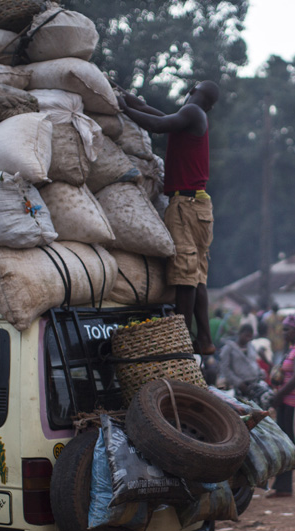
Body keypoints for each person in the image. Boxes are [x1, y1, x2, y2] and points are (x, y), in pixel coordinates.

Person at [118, 80, 221, 354]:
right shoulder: (189, 117)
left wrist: (123, 109)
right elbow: (151, 112)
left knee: (185, 274)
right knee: (197, 275)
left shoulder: (192, 113)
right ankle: (205, 340)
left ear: (192, 92)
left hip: (186, 205)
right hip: (198, 205)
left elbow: (155, 125)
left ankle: (183, 338)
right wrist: (123, 94)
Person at [268, 314, 295, 497]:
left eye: (287, 329)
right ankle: (283, 487)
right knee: (285, 446)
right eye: (283, 328)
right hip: (286, 403)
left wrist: (279, 395)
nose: (284, 332)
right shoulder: (293, 348)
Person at [218, 324, 272, 408]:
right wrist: (238, 383)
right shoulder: (229, 348)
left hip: (255, 381)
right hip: (242, 386)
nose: (248, 339)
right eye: (246, 336)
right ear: (240, 333)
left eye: (250, 337)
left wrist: (260, 372)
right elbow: (225, 368)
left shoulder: (251, 346)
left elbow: (253, 362)